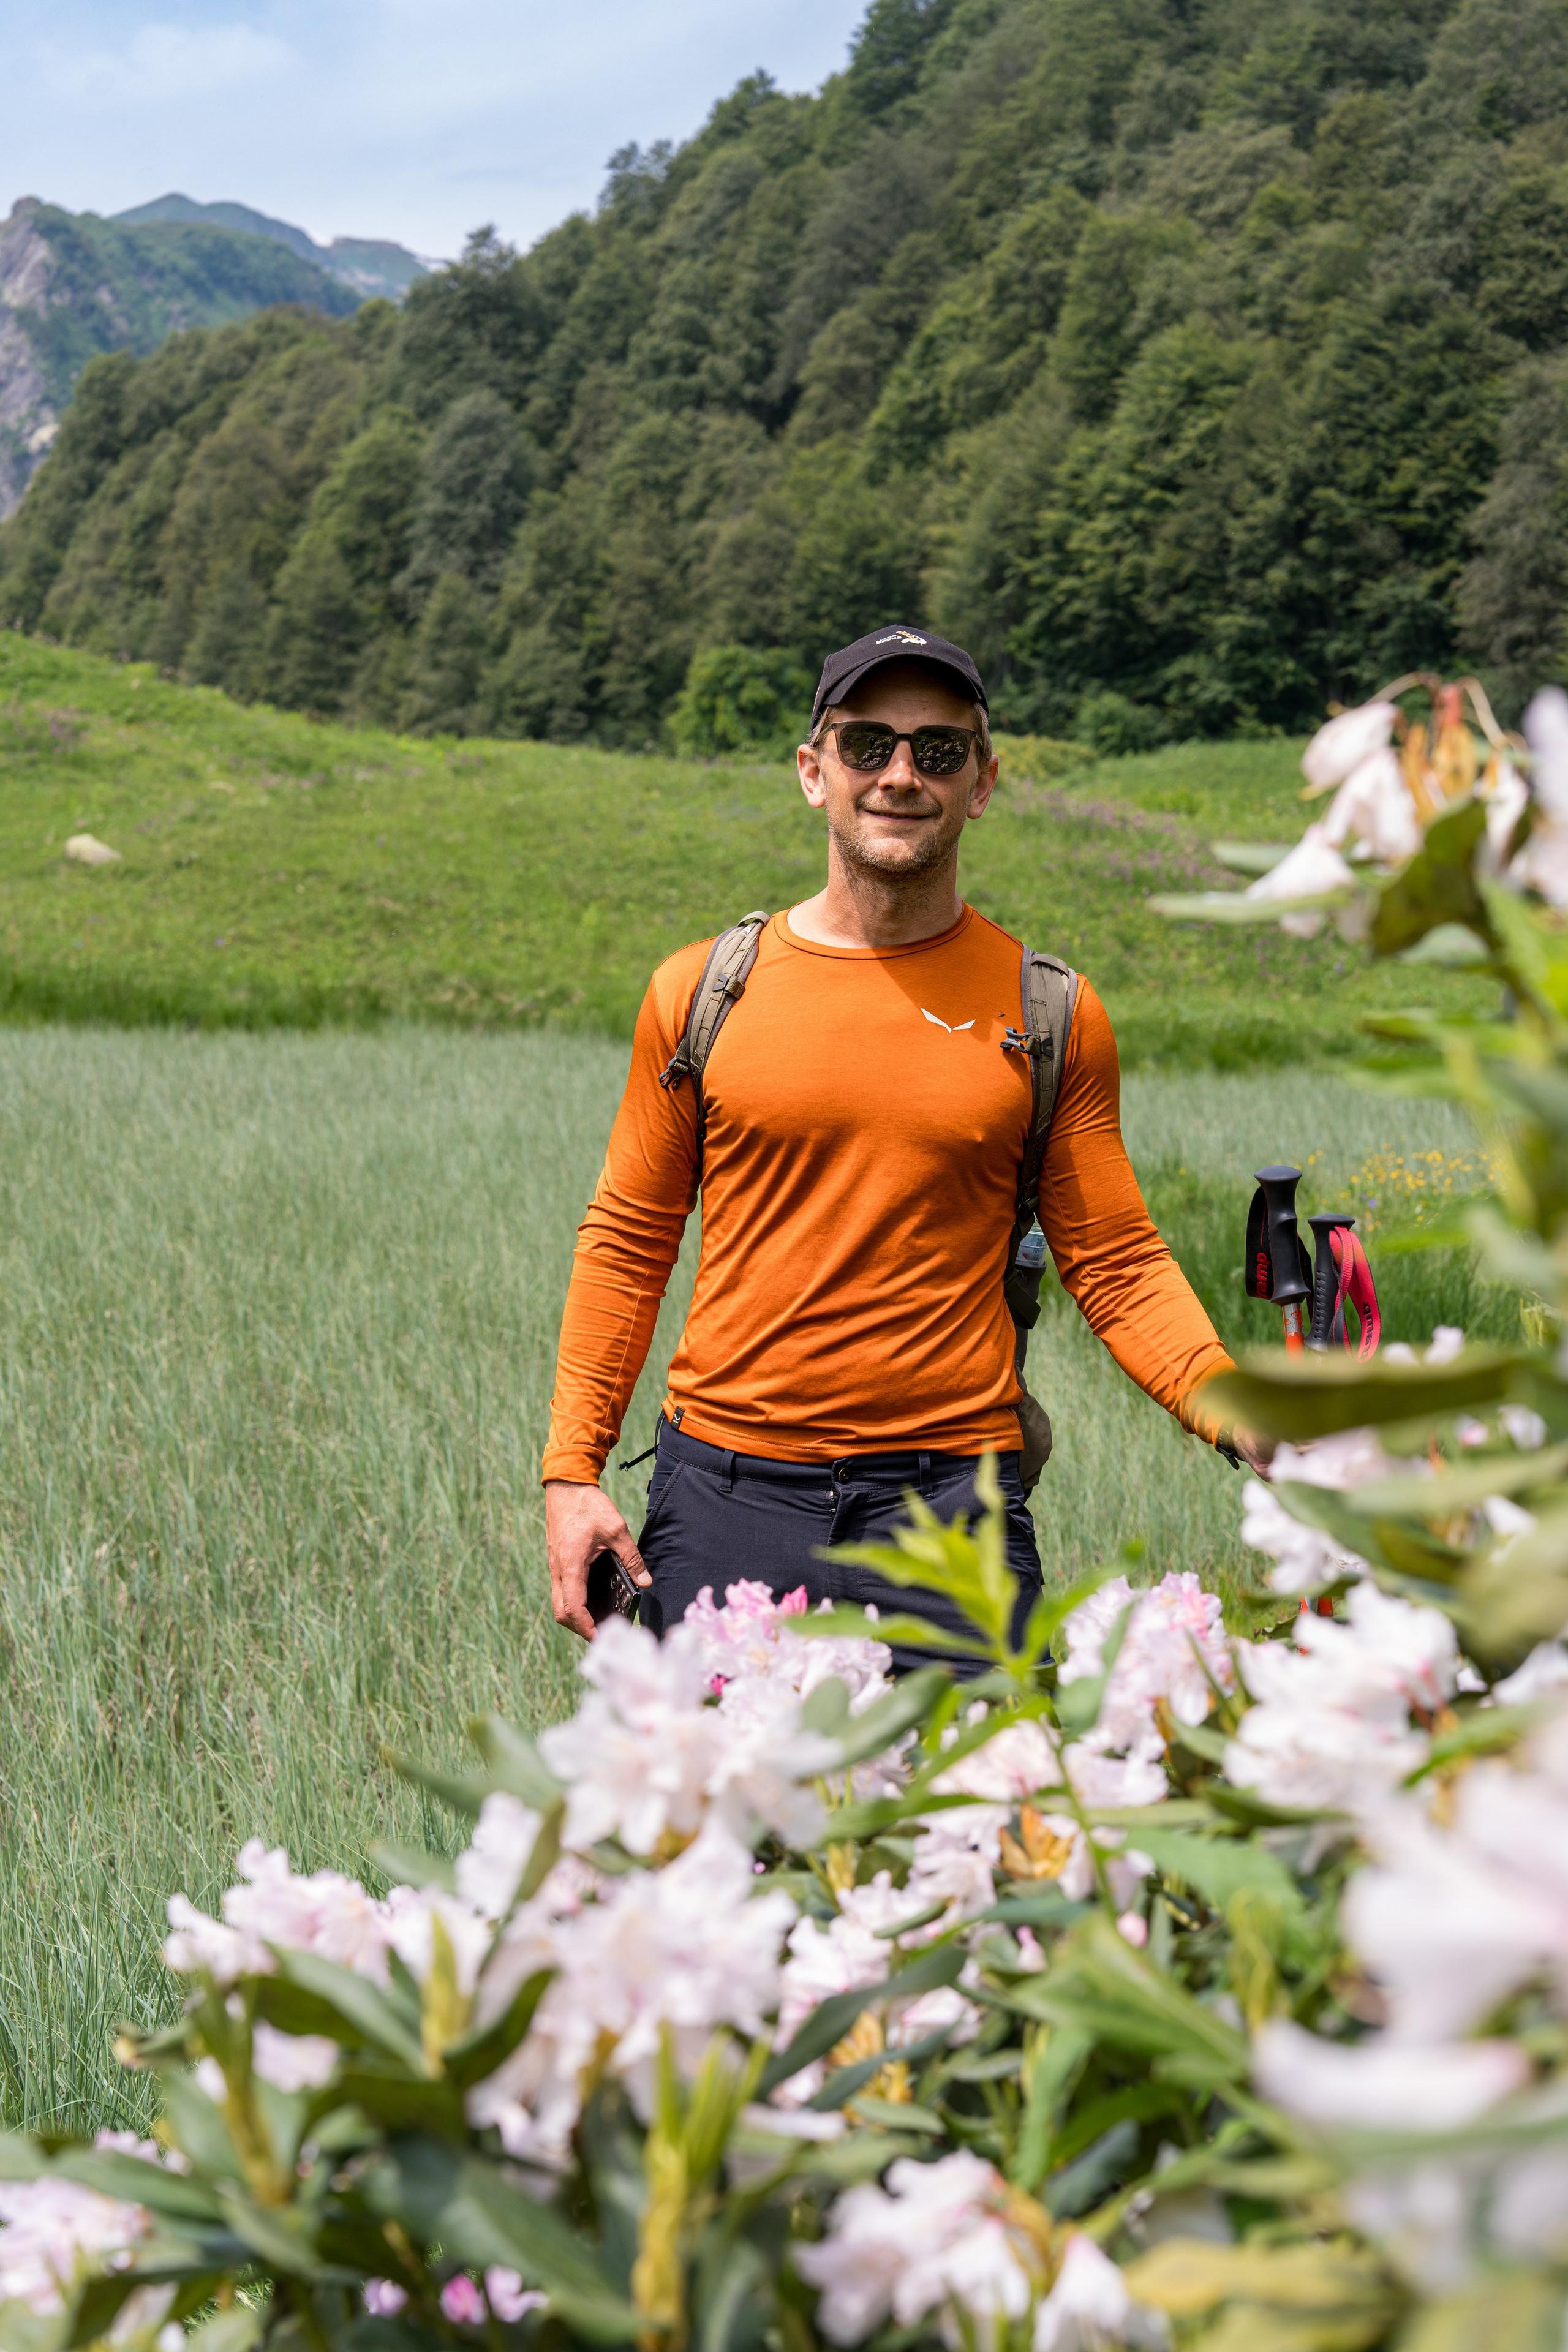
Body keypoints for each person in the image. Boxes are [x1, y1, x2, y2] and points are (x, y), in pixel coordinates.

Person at [542, 625, 1266, 1660]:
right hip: (722, 1501)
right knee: (713, 1826)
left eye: (938, 751)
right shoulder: (702, 991)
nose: (899, 775)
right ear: (813, 771)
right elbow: (628, 1239)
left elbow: (1116, 1260)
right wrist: (574, 1473)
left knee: (990, 1818)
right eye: (866, 744)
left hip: (950, 1520)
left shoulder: (1048, 1010)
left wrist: (1242, 1415)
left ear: (981, 781)